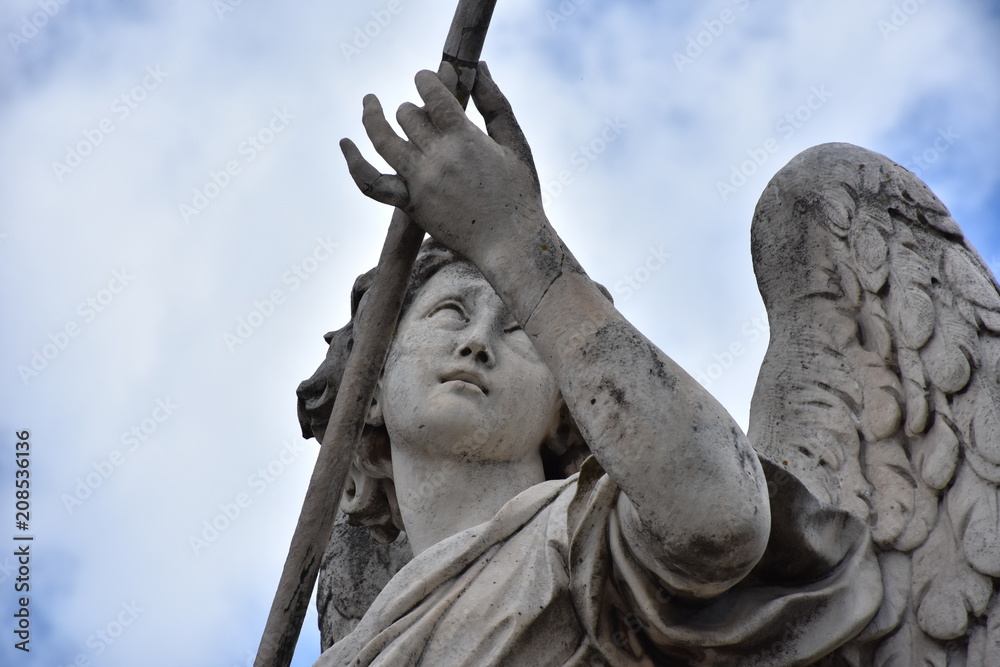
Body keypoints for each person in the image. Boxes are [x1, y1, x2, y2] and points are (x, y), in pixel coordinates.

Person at [302, 63, 881, 666]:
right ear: (368, 388)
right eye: (450, 312)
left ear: (563, 412)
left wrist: (512, 236)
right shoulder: (361, 650)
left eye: (521, 330)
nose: (477, 343)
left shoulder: (585, 537)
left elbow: (721, 519)